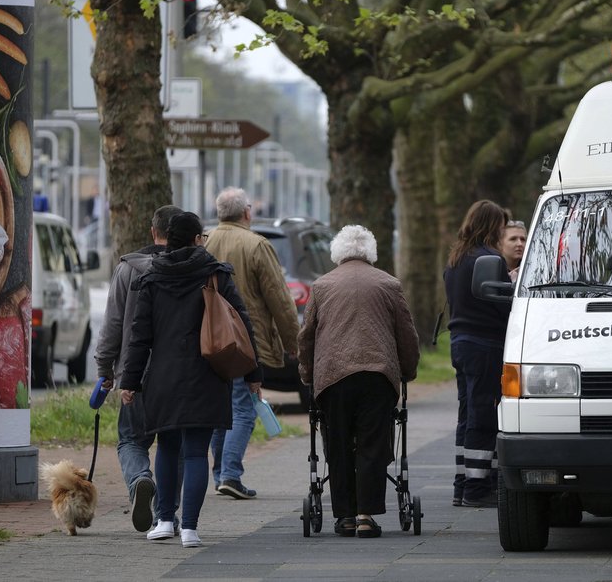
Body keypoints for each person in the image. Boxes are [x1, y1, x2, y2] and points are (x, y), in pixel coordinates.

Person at [120, 212, 261, 548]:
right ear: (198, 239)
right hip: (207, 376)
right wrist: (254, 374)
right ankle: (190, 529)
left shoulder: (151, 278)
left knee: (167, 448)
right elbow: (242, 324)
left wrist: (130, 380)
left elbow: (140, 336)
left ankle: (165, 520)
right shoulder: (216, 274)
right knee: (196, 453)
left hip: (163, 378)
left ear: (168, 239)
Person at [297, 225, 419, 538]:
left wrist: (308, 375)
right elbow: (406, 335)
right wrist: (408, 369)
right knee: (373, 443)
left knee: (337, 444)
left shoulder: (322, 286)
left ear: (337, 252)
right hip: (377, 376)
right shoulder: (389, 284)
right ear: (370, 252)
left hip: (333, 376)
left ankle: (345, 516)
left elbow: (307, 335)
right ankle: (366, 515)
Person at [204, 187, 299, 500]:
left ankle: (220, 475)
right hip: (246, 339)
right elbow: (280, 299)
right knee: (243, 408)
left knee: (220, 409)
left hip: (209, 339)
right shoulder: (257, 245)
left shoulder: (205, 242)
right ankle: (230, 473)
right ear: (247, 212)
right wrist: (293, 343)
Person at [94, 204, 182, 533]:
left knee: (132, 441)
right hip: (178, 375)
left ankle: (140, 479)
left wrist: (105, 370)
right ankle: (166, 515)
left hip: (135, 373)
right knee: (177, 446)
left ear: (152, 231)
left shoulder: (128, 269)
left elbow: (113, 325)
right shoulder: (190, 268)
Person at [444, 200, 512, 508]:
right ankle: (477, 488)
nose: (503, 232)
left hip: (460, 342)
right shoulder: (490, 260)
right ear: (492, 225)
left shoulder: (456, 260)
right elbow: (501, 307)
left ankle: (462, 483)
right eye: (501, 225)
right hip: (485, 344)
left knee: (466, 415)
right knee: (484, 416)